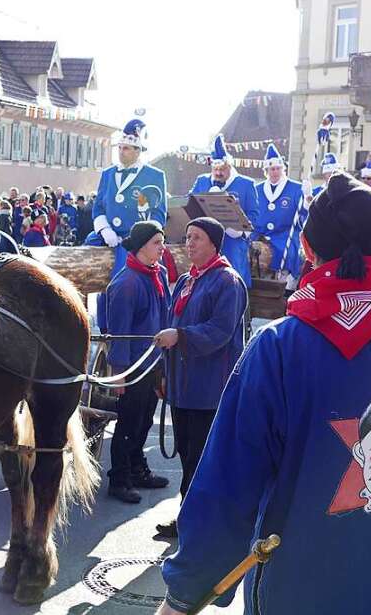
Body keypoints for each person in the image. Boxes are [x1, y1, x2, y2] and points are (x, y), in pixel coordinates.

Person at [157, 173, 371, 615]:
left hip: (311, 589)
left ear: (308, 251)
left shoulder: (278, 349)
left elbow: (226, 489)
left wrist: (184, 595)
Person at [152, 217, 247, 539]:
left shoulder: (226, 282)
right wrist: (164, 371)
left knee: (202, 456)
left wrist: (179, 335)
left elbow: (220, 331)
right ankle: (190, 517)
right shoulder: (187, 281)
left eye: (197, 238)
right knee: (187, 453)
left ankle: (202, 523)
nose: (189, 243)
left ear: (214, 244)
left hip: (209, 387)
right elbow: (173, 322)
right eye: (188, 237)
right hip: (183, 384)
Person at [101, 221, 171, 503]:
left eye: (162, 242)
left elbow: (165, 317)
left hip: (153, 360)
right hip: (133, 365)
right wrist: (119, 374)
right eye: (157, 243)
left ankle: (136, 468)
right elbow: (119, 333)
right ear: (142, 246)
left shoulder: (159, 274)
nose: (162, 248)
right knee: (128, 422)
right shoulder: (126, 283)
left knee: (144, 420)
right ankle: (119, 478)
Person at [86, 119, 168, 275]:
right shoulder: (108, 173)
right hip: (107, 236)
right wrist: (105, 230)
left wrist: (142, 237)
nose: (121, 151)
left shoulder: (154, 175)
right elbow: (98, 208)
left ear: (137, 151)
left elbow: (159, 213)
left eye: (127, 148)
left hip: (136, 241)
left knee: (127, 277)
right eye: (120, 148)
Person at [190, 134, 260, 287]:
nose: (218, 173)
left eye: (222, 169)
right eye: (215, 169)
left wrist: (241, 231)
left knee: (232, 284)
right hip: (205, 243)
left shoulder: (246, 184)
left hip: (232, 245)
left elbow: (255, 215)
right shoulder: (202, 181)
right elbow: (189, 205)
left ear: (230, 166)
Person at [254, 144, 303, 281]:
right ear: (266, 171)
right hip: (260, 234)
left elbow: (303, 216)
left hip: (285, 234)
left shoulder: (296, 188)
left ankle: (285, 285)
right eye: (271, 169)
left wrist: (306, 202)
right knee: (248, 252)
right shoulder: (257, 189)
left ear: (283, 169)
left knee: (287, 252)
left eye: (277, 169)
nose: (275, 172)